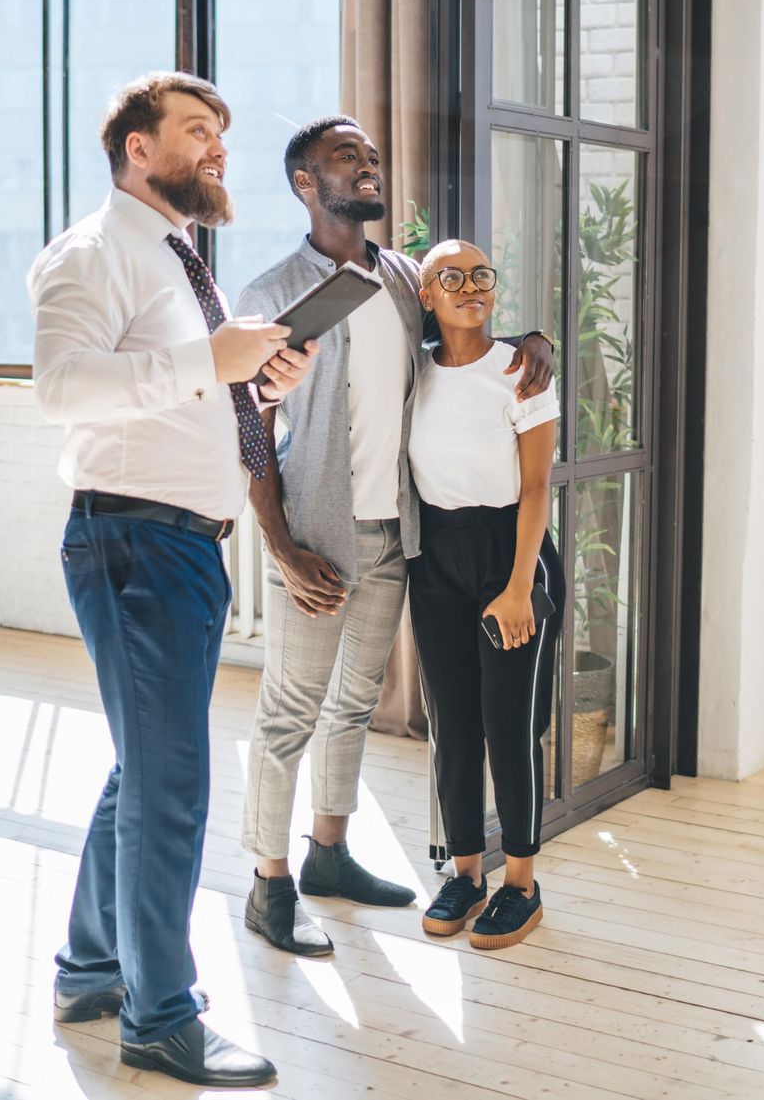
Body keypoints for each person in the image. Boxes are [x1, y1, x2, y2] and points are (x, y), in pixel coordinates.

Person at [28, 71, 316, 1088]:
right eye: (197, 131)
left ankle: (89, 969)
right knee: (173, 784)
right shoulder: (94, 252)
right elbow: (60, 390)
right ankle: (159, 1019)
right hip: (136, 545)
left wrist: (252, 380)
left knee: (141, 772)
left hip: (180, 546)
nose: (217, 149)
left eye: (222, 134)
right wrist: (210, 360)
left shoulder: (179, 259)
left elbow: (187, 392)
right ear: (137, 150)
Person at [235, 117, 556, 956]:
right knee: (289, 711)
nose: (368, 168)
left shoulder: (407, 279)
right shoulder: (271, 294)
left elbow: (467, 329)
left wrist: (533, 340)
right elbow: (248, 429)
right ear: (307, 183)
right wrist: (277, 542)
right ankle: (268, 881)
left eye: (372, 157)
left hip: (397, 537)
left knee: (353, 704)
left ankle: (329, 854)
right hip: (313, 532)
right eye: (349, 159)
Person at [406, 239, 563, 951]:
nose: (469, 285)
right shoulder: (415, 375)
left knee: (509, 726)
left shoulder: (522, 371)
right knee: (453, 728)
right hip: (436, 561)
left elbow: (536, 488)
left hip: (512, 556)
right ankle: (465, 872)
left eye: (480, 275)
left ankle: (521, 883)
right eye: (450, 276)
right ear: (426, 295)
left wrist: (519, 587)